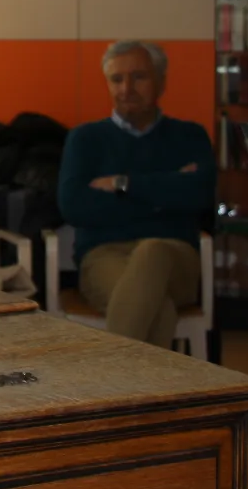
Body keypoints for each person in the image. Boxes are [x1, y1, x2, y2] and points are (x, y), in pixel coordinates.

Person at [57, 41, 215, 350]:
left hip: (175, 257)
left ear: (161, 81)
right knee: (159, 309)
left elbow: (199, 194)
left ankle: (111, 384)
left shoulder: (190, 136)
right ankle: (141, 395)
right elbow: (74, 206)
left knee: (153, 250)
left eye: (139, 77)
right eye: (117, 79)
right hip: (104, 256)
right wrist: (164, 193)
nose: (126, 88)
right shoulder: (86, 139)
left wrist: (123, 185)